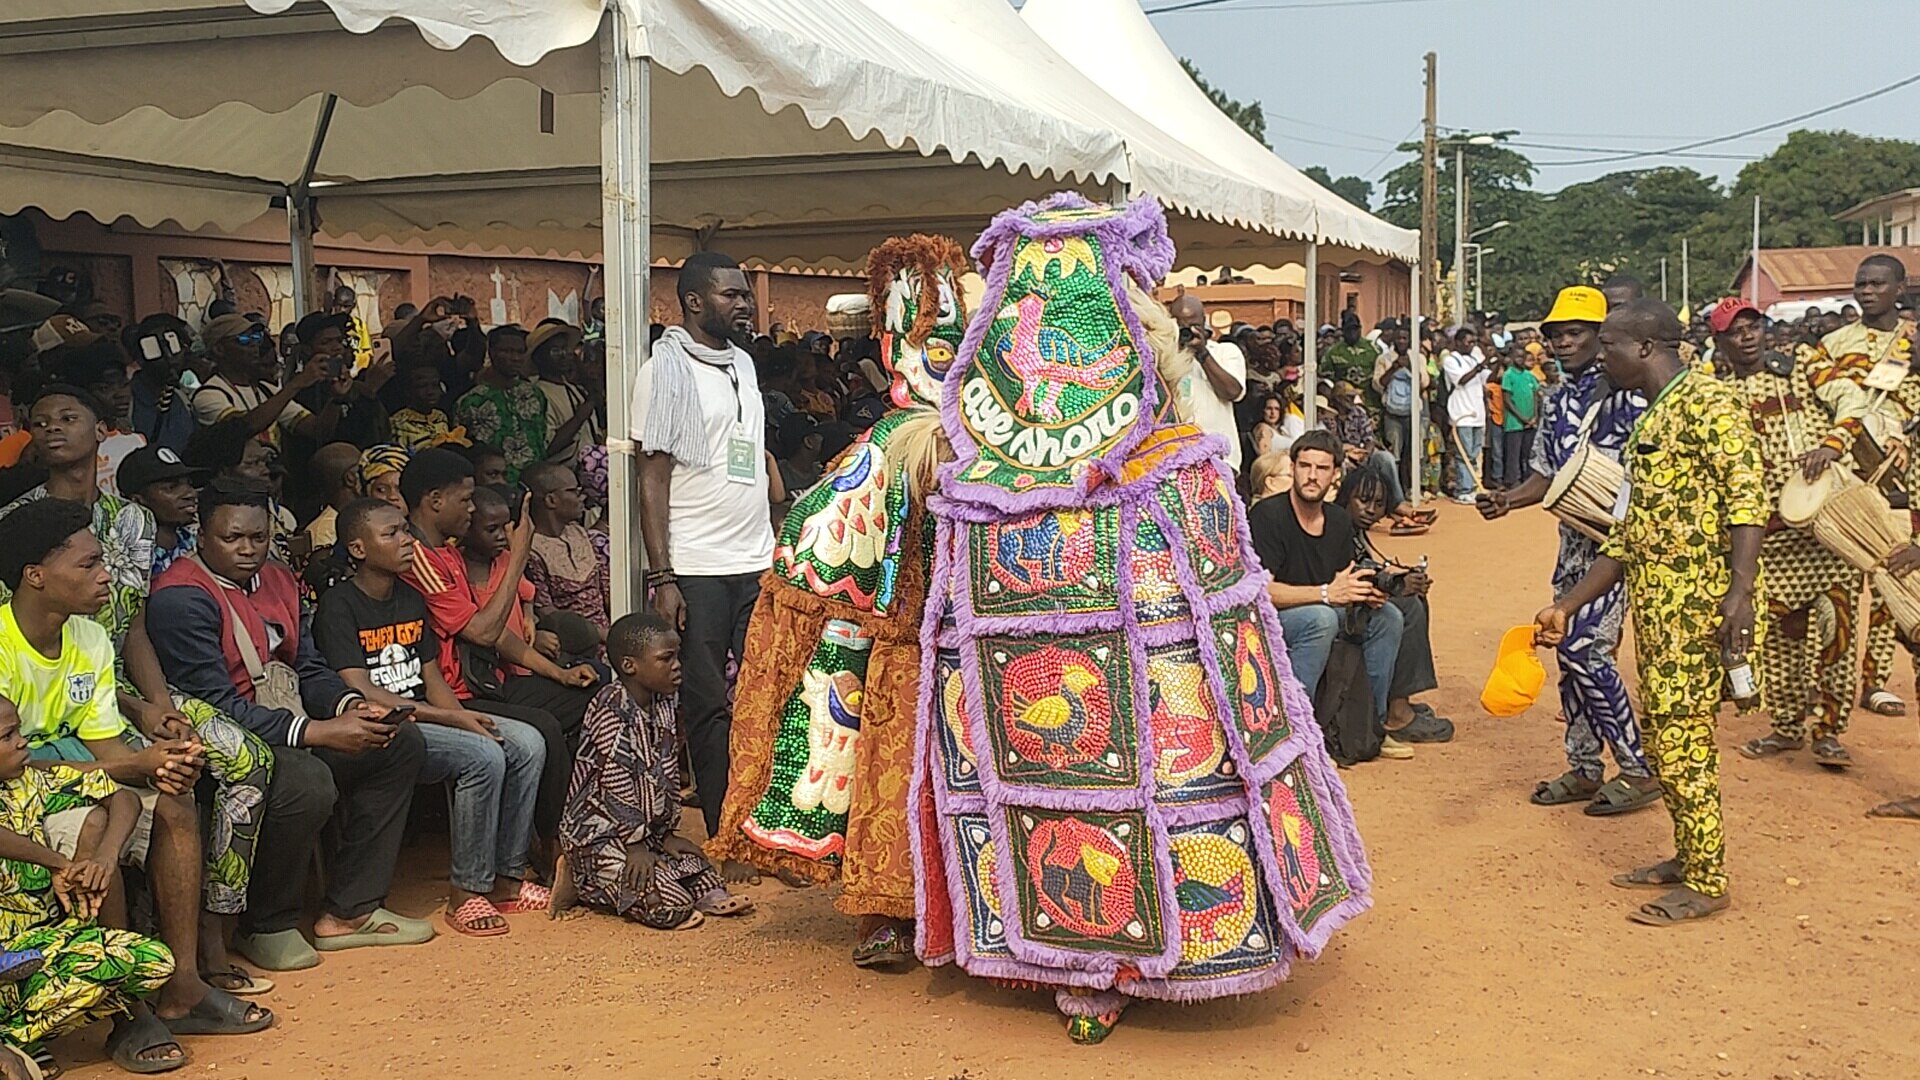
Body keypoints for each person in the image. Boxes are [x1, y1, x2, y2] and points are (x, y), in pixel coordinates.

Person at [0, 498, 274, 1045]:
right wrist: (134, 764)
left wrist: (161, 767)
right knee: (95, 825)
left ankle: (184, 988)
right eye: (87, 566)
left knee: (172, 804)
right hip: (16, 803)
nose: (106, 577)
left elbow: (105, 747)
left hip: (70, 784)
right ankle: (126, 1010)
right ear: (35, 576)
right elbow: (11, 764)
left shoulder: (90, 638)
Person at [1535, 298, 1764, 927]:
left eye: (1608, 343)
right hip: (1660, 607)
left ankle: (1707, 880)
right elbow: (1629, 534)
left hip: (1702, 606)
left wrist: (1738, 593)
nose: (1599, 354)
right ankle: (1690, 855)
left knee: (1683, 737)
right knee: (1663, 737)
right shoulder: (1650, 422)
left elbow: (1748, 501)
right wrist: (1567, 605)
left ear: (1645, 347)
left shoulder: (1711, 406)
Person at [148, 484, 433, 971]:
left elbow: (309, 665)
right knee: (305, 780)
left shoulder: (278, 579)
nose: (247, 549)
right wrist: (318, 732)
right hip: (225, 739)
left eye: (258, 537)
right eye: (232, 537)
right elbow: (215, 705)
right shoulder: (180, 597)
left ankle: (352, 909)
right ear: (202, 537)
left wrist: (350, 705)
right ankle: (267, 922)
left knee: (398, 742)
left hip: (290, 713)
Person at [314, 498, 549, 935]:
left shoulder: (409, 597)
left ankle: (507, 881)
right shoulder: (339, 605)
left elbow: (432, 677)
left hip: (426, 715)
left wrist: (464, 718)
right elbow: (361, 689)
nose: (407, 541)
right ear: (359, 549)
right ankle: (467, 893)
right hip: (387, 726)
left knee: (527, 743)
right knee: (482, 757)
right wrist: (460, 725)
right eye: (392, 534)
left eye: (406, 530)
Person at [1479, 286, 1659, 817]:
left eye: (1574, 332)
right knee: (1568, 651)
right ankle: (1584, 767)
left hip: (1619, 548)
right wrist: (1507, 500)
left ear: (1603, 336)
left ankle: (1637, 767)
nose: (1562, 343)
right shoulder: (1556, 400)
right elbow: (1546, 476)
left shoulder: (1634, 397)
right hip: (1573, 547)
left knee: (1585, 651)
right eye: (1555, 334)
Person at [632, 252, 775, 875]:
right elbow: (652, 478)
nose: (745, 304)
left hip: (757, 557)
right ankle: (723, 833)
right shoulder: (663, 372)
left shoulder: (742, 361)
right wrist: (662, 575)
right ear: (692, 301)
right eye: (731, 296)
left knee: (771, 693)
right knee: (709, 703)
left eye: (746, 295)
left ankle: (769, 829)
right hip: (697, 563)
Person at [1708, 298, 1868, 770]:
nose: (1748, 336)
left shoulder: (1802, 364)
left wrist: (1831, 444)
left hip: (1827, 529)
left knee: (1837, 631)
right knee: (1777, 635)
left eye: (1753, 326)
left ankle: (1829, 731)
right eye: (1736, 332)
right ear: (1720, 342)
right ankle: (1785, 726)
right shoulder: (1717, 395)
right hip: (1769, 539)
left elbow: (1852, 401)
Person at [395, 450, 578, 853]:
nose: (472, 508)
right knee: (543, 728)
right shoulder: (420, 560)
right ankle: (552, 844)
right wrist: (518, 557)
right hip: (454, 693)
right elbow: (481, 631)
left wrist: (557, 672)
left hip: (483, 678)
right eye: (465, 499)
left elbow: (493, 635)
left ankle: (578, 825)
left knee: (589, 694)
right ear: (435, 500)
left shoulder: (446, 550)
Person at [0, 693, 180, 1077]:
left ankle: (18, 1037)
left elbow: (123, 798)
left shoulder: (32, 781)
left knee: (151, 962)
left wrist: (105, 857)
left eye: (19, 730)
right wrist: (58, 863)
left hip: (38, 950)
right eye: (7, 735)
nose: (22, 741)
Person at [551, 612, 753, 929]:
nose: (677, 666)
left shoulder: (664, 703)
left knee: (697, 864)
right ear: (631, 666)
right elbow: (613, 780)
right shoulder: (610, 705)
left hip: (647, 834)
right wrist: (634, 845)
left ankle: (669, 881)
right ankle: (583, 881)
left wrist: (667, 833)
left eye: (677, 657)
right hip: (602, 837)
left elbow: (669, 771)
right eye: (666, 659)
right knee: (668, 907)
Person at [1798, 255, 1917, 718]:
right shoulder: (1830, 344)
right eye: (1861, 283)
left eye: (1877, 283)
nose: (1867, 291)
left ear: (1900, 288)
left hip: (1903, 481)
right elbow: (1824, 403)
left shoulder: (1914, 343)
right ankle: (1825, 680)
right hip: (1846, 477)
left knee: (1892, 582)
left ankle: (1876, 681)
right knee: (1836, 587)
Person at [1250, 430, 1410, 758]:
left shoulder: (1338, 520)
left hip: (1323, 606)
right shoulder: (1268, 515)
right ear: (1293, 467)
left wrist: (1363, 592)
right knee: (1321, 619)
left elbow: (1342, 582)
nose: (1311, 475)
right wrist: (1327, 593)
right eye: (1304, 465)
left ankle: (1369, 728)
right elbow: (1262, 591)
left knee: (1387, 617)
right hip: (1272, 615)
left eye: (1321, 468)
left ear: (1335, 474)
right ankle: (1294, 734)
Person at [1338, 467, 1453, 743]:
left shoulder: (1355, 528)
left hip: (1353, 598)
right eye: (1362, 500)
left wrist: (1402, 577)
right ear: (1345, 497)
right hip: (1333, 603)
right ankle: (1397, 713)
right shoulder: (1338, 524)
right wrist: (1395, 583)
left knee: (1414, 597)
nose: (1370, 510)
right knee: (1408, 606)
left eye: (1378, 504)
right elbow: (1350, 573)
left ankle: (1398, 698)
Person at [189, 314, 334, 449]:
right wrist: (296, 384)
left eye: (256, 338)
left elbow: (316, 430)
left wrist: (337, 398)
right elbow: (244, 428)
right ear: (219, 349)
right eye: (244, 339)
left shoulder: (266, 390)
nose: (254, 345)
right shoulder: (209, 395)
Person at [523, 461, 611, 644]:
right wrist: (602, 636)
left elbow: (606, 589)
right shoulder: (530, 549)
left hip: (611, 638)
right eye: (574, 491)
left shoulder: (578, 533)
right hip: (574, 645)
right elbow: (548, 613)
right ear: (551, 500)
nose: (582, 498)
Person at [1327, 382, 1431, 534]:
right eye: (1348, 397)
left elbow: (1369, 438)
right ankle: (1399, 514)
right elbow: (1330, 442)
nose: (1352, 400)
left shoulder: (1359, 413)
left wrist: (1365, 453)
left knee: (1385, 458)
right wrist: (1347, 452)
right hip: (1342, 456)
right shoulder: (1329, 416)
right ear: (1338, 399)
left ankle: (1397, 504)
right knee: (1343, 465)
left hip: (1362, 453)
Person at [1166, 293, 1248, 473]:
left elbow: (1233, 392)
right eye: (1182, 326)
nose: (1189, 331)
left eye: (1194, 325)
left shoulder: (1225, 352)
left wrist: (1202, 354)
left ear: (1204, 322)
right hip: (1177, 459)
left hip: (1220, 459)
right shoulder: (1164, 358)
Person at [457, 327, 547, 482]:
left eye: (520, 352)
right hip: (494, 486)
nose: (515, 358)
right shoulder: (471, 401)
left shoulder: (535, 394)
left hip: (535, 483)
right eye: (507, 351)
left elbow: (542, 439)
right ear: (491, 353)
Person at [117, 446, 204, 579]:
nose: (190, 493)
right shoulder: (124, 560)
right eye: (171, 487)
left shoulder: (201, 543)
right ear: (137, 500)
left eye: (189, 483)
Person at [528, 323, 601, 467]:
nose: (564, 356)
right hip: (562, 475)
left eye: (566, 349)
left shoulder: (576, 390)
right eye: (555, 351)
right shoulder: (537, 394)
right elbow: (549, 447)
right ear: (539, 358)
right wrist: (579, 417)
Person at [127, 313, 198, 456]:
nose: (169, 358)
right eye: (155, 350)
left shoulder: (182, 399)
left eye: (173, 347)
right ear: (140, 359)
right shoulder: (127, 402)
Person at [1440, 326, 1494, 502]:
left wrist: (1498, 360)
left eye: (1473, 342)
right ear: (1457, 342)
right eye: (1468, 342)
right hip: (1461, 413)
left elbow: (1490, 377)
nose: (1471, 345)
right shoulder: (1451, 360)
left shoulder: (1472, 359)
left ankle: (1471, 486)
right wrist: (1479, 367)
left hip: (1477, 414)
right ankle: (1462, 490)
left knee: (1474, 454)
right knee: (1463, 454)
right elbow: (1461, 380)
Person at [387, 361, 462, 451]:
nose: (430, 392)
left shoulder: (441, 417)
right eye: (422, 386)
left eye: (435, 385)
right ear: (408, 391)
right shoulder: (397, 422)